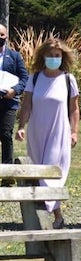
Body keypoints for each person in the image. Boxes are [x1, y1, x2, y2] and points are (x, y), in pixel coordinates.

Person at [15, 38, 80, 229]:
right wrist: (21, 126)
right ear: (43, 56)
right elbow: (27, 105)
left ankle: (53, 215)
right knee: (38, 171)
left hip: (59, 132)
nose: (53, 58)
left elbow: (74, 110)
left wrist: (74, 132)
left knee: (51, 173)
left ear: (63, 57)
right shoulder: (35, 78)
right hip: (37, 132)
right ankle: (54, 215)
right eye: (50, 55)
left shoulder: (68, 79)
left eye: (57, 56)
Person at [0, 24, 29, 181]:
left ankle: (7, 175)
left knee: (5, 135)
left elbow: (25, 78)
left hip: (8, 102)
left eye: (1, 35)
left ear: (6, 37)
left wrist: (15, 90)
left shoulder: (14, 56)